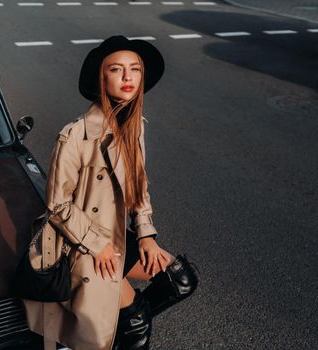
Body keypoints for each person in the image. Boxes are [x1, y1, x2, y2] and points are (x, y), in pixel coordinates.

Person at [23, 35, 197, 350]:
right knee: (136, 323)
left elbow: (139, 186)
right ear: (102, 78)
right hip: (79, 242)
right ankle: (119, 324)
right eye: (116, 70)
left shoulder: (134, 126)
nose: (128, 78)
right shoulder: (75, 135)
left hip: (116, 235)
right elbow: (57, 204)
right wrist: (97, 245)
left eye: (135, 69)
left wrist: (145, 233)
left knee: (181, 279)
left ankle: (112, 327)